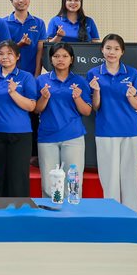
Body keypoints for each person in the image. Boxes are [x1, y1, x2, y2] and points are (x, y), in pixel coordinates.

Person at [87, 34, 137, 213]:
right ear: (102, 50)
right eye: (108, 48)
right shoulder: (93, 73)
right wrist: (96, 91)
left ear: (122, 52)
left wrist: (131, 96)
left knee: (130, 177)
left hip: (131, 131)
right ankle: (113, 216)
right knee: (109, 178)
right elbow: (95, 106)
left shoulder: (132, 73)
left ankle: (131, 217)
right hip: (106, 130)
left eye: (116, 49)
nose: (112, 52)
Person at [35, 43, 91, 198]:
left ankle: (72, 212)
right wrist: (44, 98)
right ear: (51, 59)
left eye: (65, 56)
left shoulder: (79, 81)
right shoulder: (42, 80)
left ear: (71, 59)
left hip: (73, 136)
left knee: (73, 184)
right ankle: (50, 211)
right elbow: (36, 109)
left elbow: (87, 111)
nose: (61, 59)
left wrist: (78, 98)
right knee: (49, 184)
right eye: (56, 56)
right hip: (47, 137)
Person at [0, 40, 37, 197]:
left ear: (18, 56)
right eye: (1, 54)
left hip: (20, 134)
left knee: (17, 177)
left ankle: (18, 210)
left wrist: (13, 93)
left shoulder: (26, 77)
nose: (4, 57)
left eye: (9, 54)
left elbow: (31, 106)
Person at [4, 0, 46, 77]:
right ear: (11, 1)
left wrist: (37, 76)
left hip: (31, 75)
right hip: (9, 74)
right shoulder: (4, 23)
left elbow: (40, 52)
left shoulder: (39, 23)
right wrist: (19, 45)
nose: (21, 0)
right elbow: (4, 51)